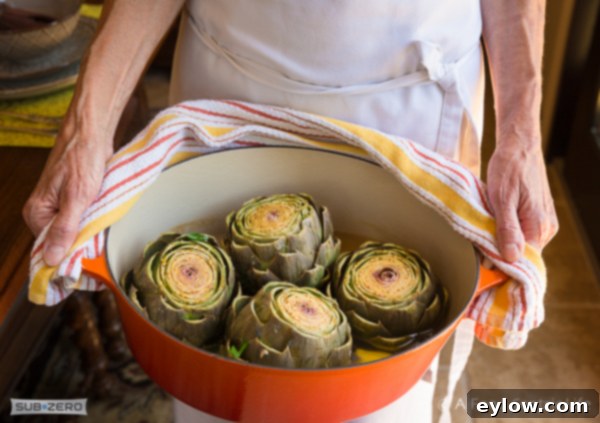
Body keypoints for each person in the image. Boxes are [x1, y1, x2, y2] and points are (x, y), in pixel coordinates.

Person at [23, 0, 558, 421]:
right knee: (215, 391)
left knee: (386, 407)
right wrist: (85, 127)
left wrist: (522, 133)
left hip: (409, 104)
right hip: (230, 88)